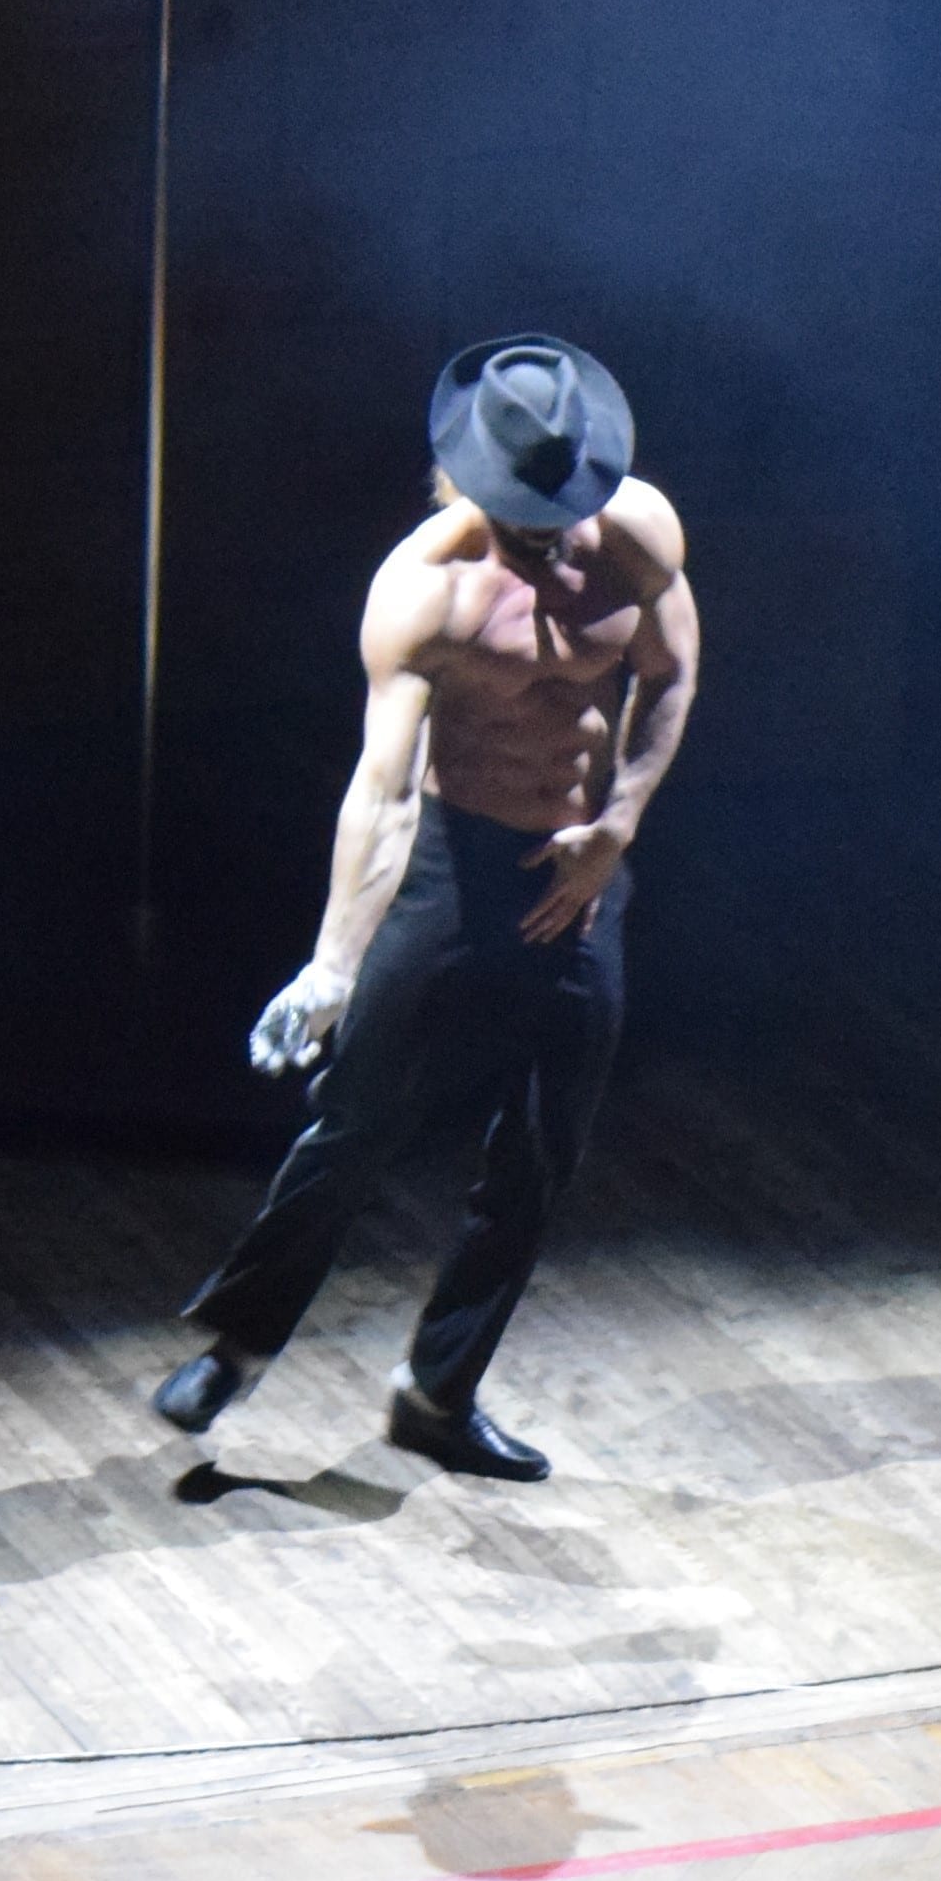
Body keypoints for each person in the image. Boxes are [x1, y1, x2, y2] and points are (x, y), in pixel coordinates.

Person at [148, 336, 699, 1480]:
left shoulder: (638, 533)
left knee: (542, 1143)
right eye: (522, 513)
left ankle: (438, 1393)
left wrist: (617, 826)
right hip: (454, 859)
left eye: (560, 507)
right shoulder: (424, 592)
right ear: (465, 483)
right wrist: (331, 963)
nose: (547, 535)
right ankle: (238, 1341)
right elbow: (384, 791)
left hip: (576, 868)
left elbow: (669, 672)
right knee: (355, 1114)